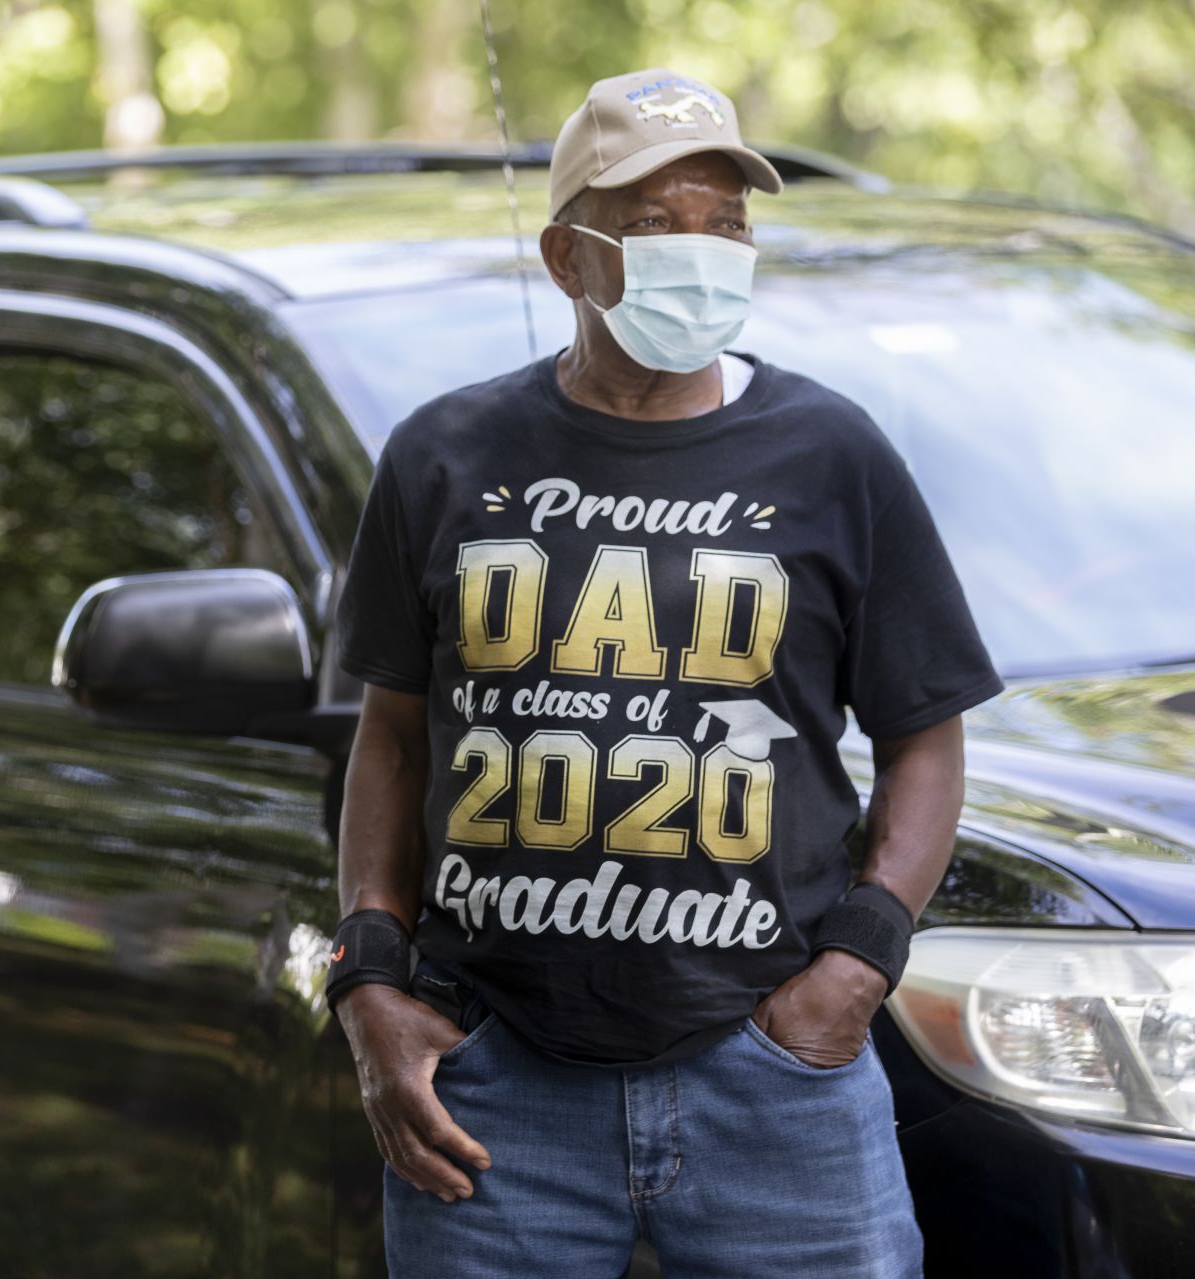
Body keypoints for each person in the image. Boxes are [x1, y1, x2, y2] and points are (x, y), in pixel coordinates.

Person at [325, 67, 1004, 1278]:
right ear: (563, 258)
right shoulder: (442, 456)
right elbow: (391, 733)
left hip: (775, 1080)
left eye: (725, 224)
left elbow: (924, 737)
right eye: (652, 225)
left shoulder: (830, 453)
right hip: (494, 1087)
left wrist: (851, 970)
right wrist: (369, 977)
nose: (701, 252)